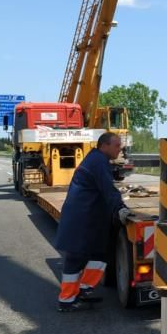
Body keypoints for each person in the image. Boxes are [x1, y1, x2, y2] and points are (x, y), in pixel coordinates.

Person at [55, 132, 130, 312]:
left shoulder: (98, 160)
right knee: (76, 257)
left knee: (99, 252)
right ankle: (66, 300)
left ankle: (84, 288)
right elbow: (107, 189)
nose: (120, 149)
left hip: (87, 214)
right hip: (80, 216)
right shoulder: (98, 162)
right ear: (104, 146)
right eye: (117, 145)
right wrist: (120, 208)